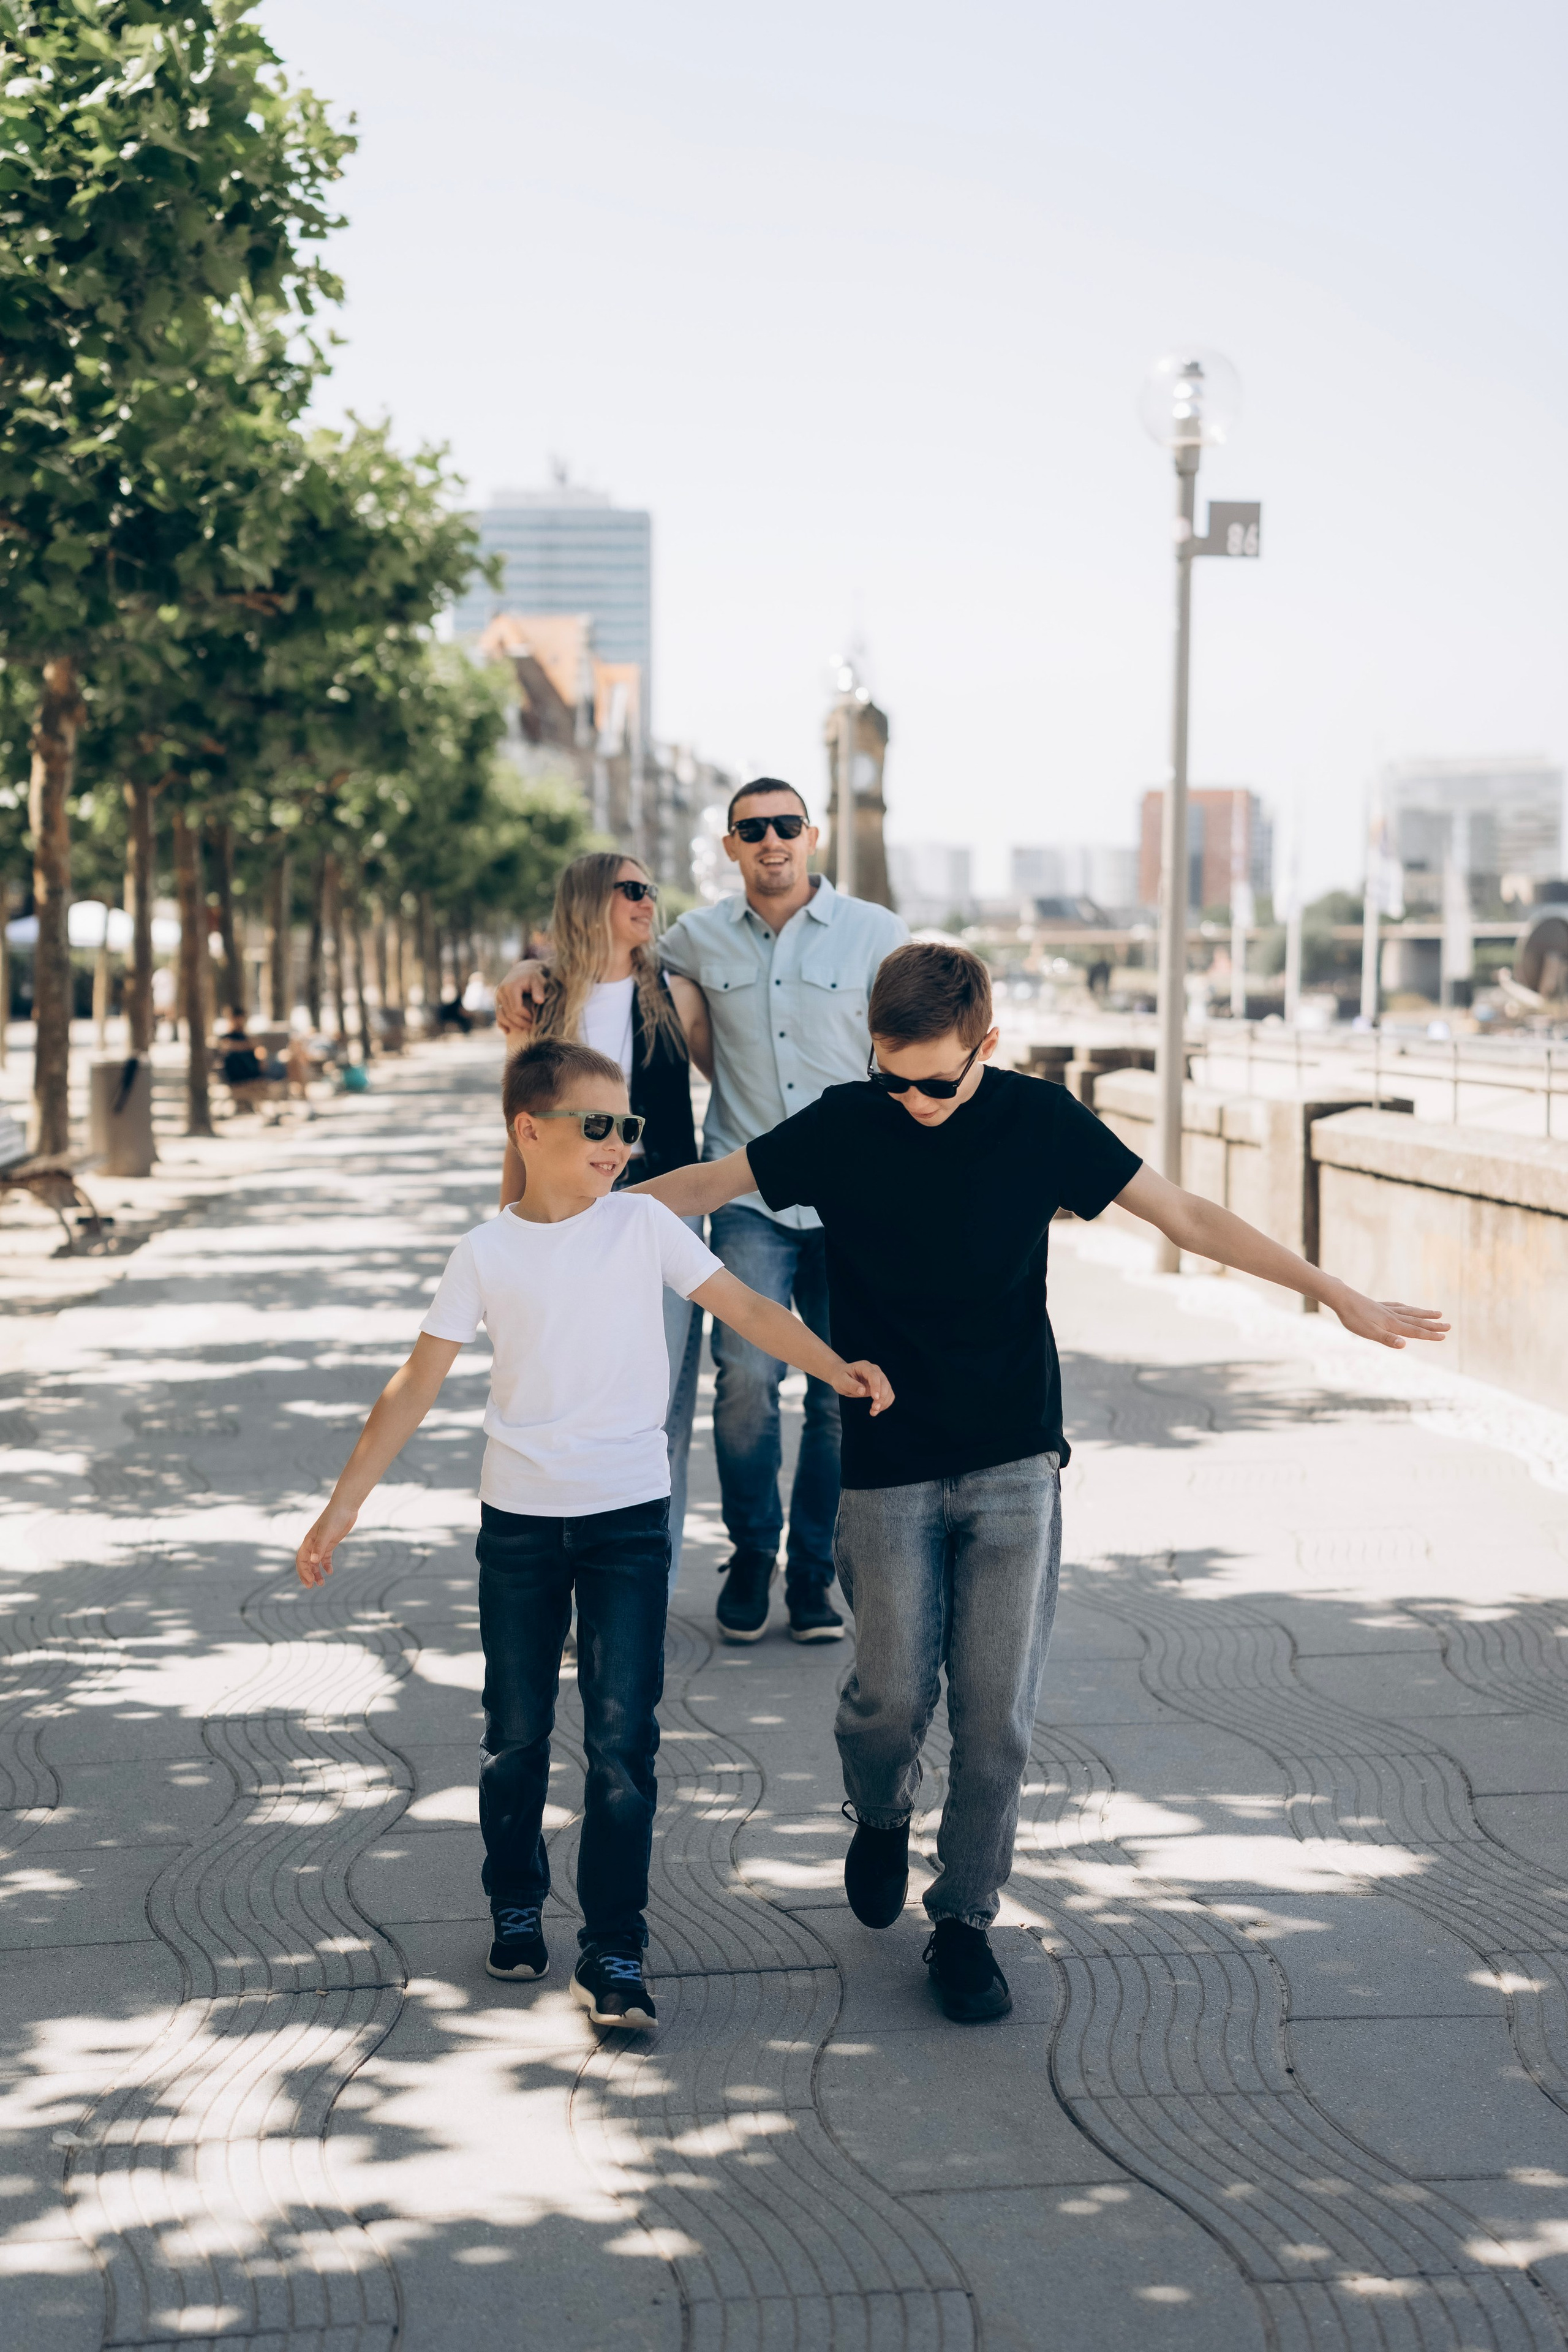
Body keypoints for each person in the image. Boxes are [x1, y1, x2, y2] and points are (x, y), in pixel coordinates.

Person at [631, 941, 1448, 2026]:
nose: (913, 1099)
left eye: (937, 1078)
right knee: (890, 1701)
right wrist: (565, 1215)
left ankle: (964, 1920)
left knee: (997, 1718)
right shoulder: (842, 1123)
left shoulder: (1039, 1121)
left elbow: (1188, 1216)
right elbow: (704, 1186)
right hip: (887, 1459)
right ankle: (879, 1814)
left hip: (1015, 1456)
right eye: (893, 1076)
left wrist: (1331, 1290)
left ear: (987, 1046)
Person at [295, 1037, 891, 2035]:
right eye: (599, 1127)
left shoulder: (642, 1229)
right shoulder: (485, 1252)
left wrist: (837, 1369)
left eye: (631, 1128)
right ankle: (516, 1903)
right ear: (531, 1131)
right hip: (520, 1524)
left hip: (625, 1521)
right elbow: (416, 1382)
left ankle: (616, 1948)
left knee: (624, 1742)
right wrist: (342, 1504)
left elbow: (745, 1305)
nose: (620, 1146)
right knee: (514, 1733)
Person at [497, 780, 907, 1646]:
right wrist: (526, 971)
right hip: (746, 1197)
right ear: (730, 845)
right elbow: (581, 978)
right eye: (753, 829)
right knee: (748, 1385)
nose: (772, 840)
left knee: (839, 1393)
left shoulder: (876, 934)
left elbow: (915, 1042)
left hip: (856, 1202)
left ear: (812, 834)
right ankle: (752, 1553)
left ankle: (812, 1575)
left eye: (786, 825)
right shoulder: (696, 940)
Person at [497, 851, 704, 1587]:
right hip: (561, 1208)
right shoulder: (541, 1002)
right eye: (633, 890)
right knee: (561, 1390)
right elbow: (519, 1124)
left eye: (651, 890)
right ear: (590, 902)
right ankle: (561, 1571)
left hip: (660, 1209)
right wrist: (507, 1225)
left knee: (658, 1409)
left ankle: (647, 1582)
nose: (649, 902)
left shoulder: (674, 993)